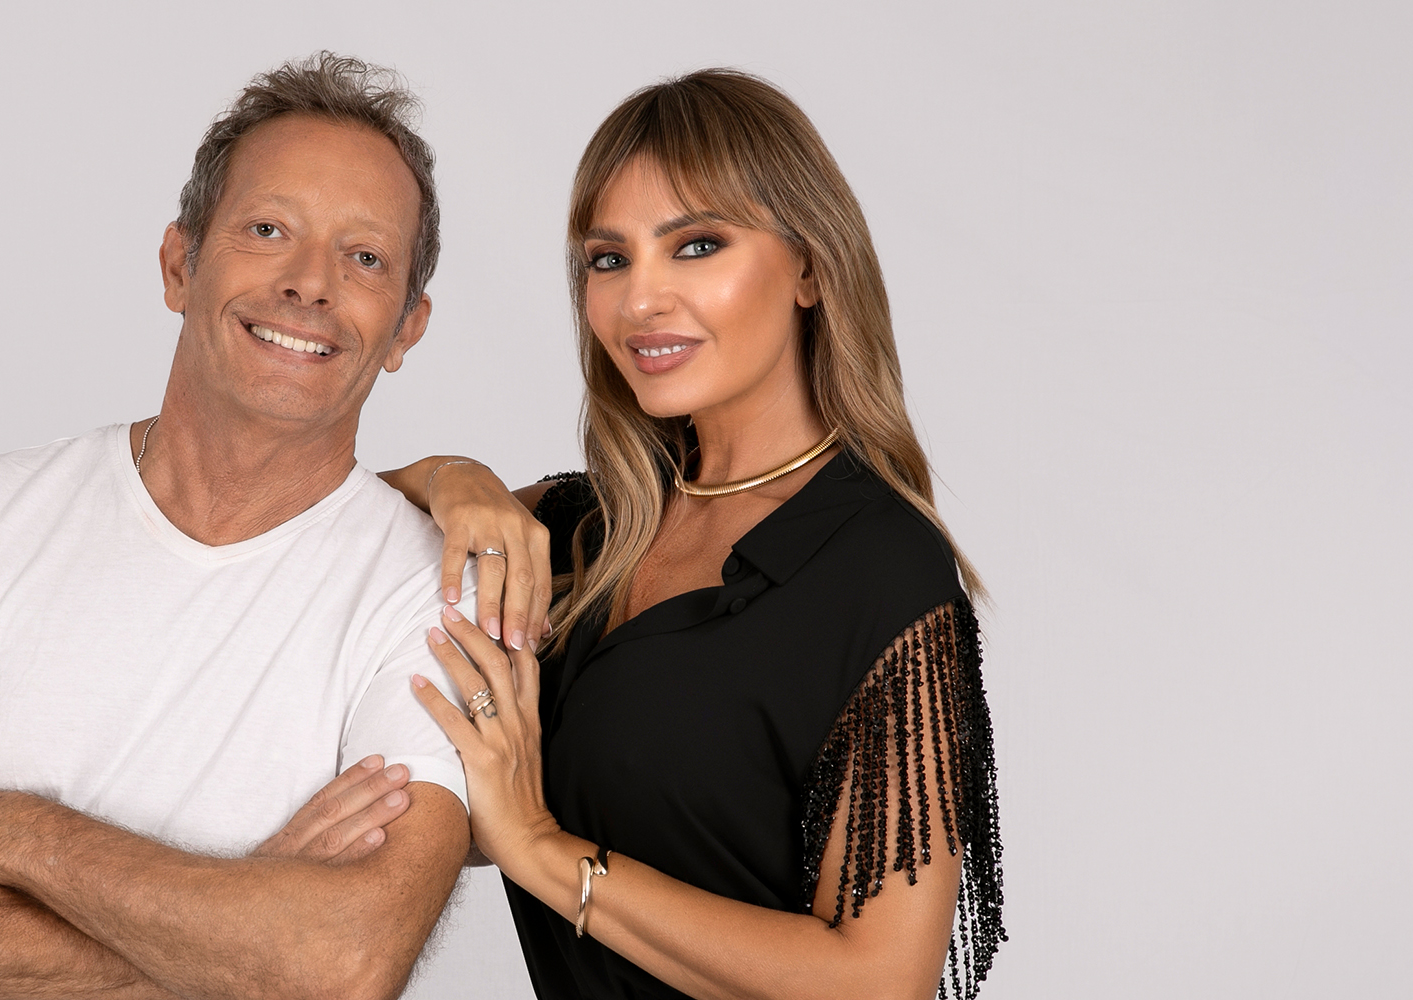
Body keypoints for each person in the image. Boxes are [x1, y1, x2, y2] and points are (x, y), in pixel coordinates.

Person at [0, 53, 480, 1000]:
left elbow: (340, 964)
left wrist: (10, 829)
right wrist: (239, 936)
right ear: (180, 266)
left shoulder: (438, 594)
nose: (311, 283)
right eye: (267, 230)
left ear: (406, 328)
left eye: (365, 258)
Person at [381, 70, 1006, 999]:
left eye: (697, 246)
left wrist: (540, 848)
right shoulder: (583, 530)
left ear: (809, 266)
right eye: (609, 259)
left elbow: (881, 981)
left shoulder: (880, 568)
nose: (640, 301)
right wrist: (450, 477)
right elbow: (314, 527)